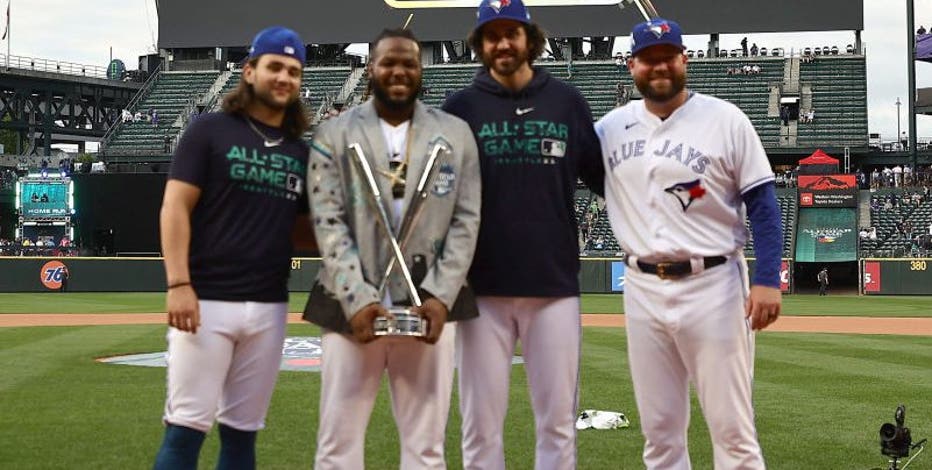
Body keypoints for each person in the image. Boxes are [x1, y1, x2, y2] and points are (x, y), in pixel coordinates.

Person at [595, 17, 782, 469]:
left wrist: (767, 279)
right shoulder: (608, 129)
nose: (659, 67)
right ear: (631, 66)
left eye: (667, 57)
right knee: (659, 435)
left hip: (714, 286)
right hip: (641, 289)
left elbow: (763, 203)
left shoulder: (725, 120)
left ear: (684, 60)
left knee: (733, 432)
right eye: (648, 59)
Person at [304, 28, 481, 469]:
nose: (399, 71)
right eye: (388, 62)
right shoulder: (333, 133)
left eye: (409, 63)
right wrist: (358, 297)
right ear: (371, 69)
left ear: (421, 71)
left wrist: (441, 296)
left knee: (426, 449)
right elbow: (328, 223)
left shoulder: (455, 134)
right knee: (337, 446)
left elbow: (466, 221)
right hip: (349, 305)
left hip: (428, 307)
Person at [441, 1, 605, 467]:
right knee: (479, 429)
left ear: (529, 37)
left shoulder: (567, 102)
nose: (502, 43)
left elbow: (605, 179)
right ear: (479, 44)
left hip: (553, 286)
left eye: (511, 32)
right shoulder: (460, 108)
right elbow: (440, 196)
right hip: (480, 290)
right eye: (491, 35)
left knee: (557, 425)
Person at [152, 26, 316, 470]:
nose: (284, 77)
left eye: (294, 71)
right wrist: (178, 283)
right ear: (250, 71)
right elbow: (174, 207)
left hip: (268, 307)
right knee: (185, 431)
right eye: (275, 67)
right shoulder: (209, 130)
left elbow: (302, 233)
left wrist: (357, 225)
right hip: (206, 301)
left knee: (243, 437)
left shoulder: (300, 152)